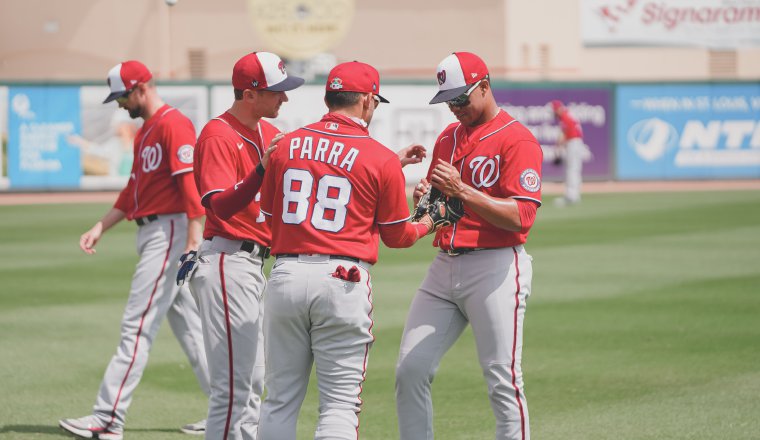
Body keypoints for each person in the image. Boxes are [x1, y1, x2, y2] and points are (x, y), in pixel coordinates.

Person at [257, 61, 431, 440]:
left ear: (328, 96)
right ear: (367, 100)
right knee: (338, 405)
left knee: (279, 400)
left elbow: (268, 217)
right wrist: (430, 222)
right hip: (342, 279)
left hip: (285, 275)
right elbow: (397, 236)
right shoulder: (379, 157)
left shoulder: (285, 145)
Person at [395, 52, 543, 440]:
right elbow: (440, 208)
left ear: (484, 86)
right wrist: (425, 201)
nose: (455, 107)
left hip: (495, 267)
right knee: (410, 370)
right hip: (445, 265)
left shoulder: (518, 139)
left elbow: (522, 217)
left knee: (502, 377)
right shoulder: (448, 137)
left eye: (461, 98)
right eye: (449, 100)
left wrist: (463, 190)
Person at [59, 60, 210, 440]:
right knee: (191, 329)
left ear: (141, 87)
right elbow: (131, 191)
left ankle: (108, 418)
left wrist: (193, 240)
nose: (120, 104)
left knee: (137, 326)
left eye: (123, 96)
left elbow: (190, 187)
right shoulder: (145, 132)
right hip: (157, 231)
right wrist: (101, 226)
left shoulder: (174, 124)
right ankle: (233, 409)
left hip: (171, 232)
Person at [186, 51, 303, 440]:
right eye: (276, 92)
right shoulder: (217, 133)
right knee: (233, 391)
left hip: (254, 266)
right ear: (250, 94)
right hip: (226, 261)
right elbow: (217, 204)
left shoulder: (269, 134)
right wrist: (260, 171)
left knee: (253, 387)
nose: (284, 99)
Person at [551, 99, 588, 206]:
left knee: (571, 169)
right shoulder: (568, 113)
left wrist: (557, 148)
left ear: (557, 109)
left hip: (573, 142)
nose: (554, 113)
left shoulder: (564, 116)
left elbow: (564, 134)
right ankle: (575, 195)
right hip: (576, 142)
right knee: (575, 169)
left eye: (554, 110)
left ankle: (571, 196)